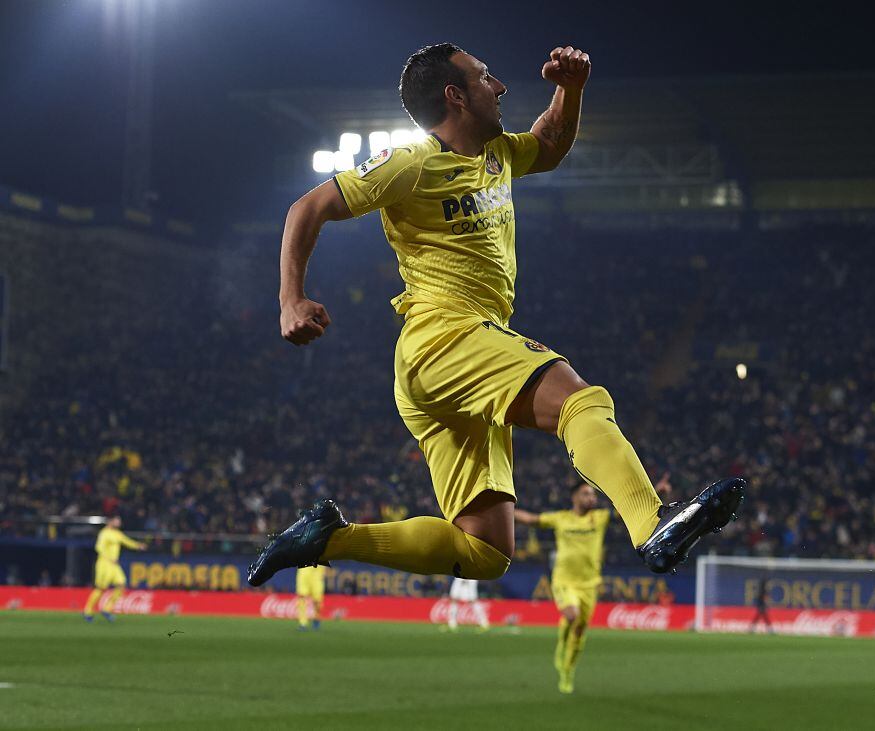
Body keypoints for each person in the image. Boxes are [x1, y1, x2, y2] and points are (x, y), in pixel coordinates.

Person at [248, 43, 746, 591]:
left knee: (484, 552)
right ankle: (650, 520)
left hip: (448, 362)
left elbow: (550, 144)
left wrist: (570, 89)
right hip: (443, 336)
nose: (501, 87)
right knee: (576, 398)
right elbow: (307, 208)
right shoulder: (411, 163)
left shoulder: (497, 154)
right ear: (455, 96)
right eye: (486, 78)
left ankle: (328, 539)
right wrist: (290, 300)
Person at [516, 483, 608, 694]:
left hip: (590, 584)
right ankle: (561, 645)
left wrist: (657, 491)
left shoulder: (601, 517)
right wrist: (502, 509)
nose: (591, 498)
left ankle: (568, 671)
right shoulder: (561, 518)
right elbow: (531, 519)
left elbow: (628, 512)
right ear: (574, 497)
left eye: (593, 494)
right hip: (564, 581)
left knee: (580, 632)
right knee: (571, 613)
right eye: (586, 494)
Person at [83, 516, 146, 622]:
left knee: (122, 584)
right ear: (110, 521)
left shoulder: (117, 533)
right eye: (117, 521)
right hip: (104, 563)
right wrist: (109, 557)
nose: (119, 522)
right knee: (100, 588)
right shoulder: (104, 533)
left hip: (114, 565)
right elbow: (99, 548)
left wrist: (138, 545)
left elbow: (127, 541)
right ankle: (88, 611)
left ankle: (107, 609)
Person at [296, 565, 326, 631]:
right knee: (302, 598)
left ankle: (316, 618)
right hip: (304, 571)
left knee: (317, 600)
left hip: (317, 573)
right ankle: (302, 623)